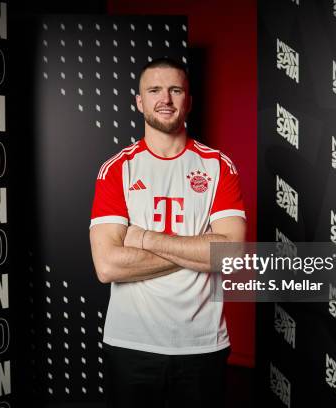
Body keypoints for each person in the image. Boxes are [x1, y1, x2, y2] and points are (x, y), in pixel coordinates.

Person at [89, 57, 246, 407]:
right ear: (139, 101)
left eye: (176, 90)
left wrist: (145, 237)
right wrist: (200, 251)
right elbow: (107, 266)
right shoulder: (117, 169)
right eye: (155, 90)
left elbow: (232, 255)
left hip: (203, 344)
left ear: (189, 101)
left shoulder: (218, 166)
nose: (166, 99)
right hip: (131, 345)